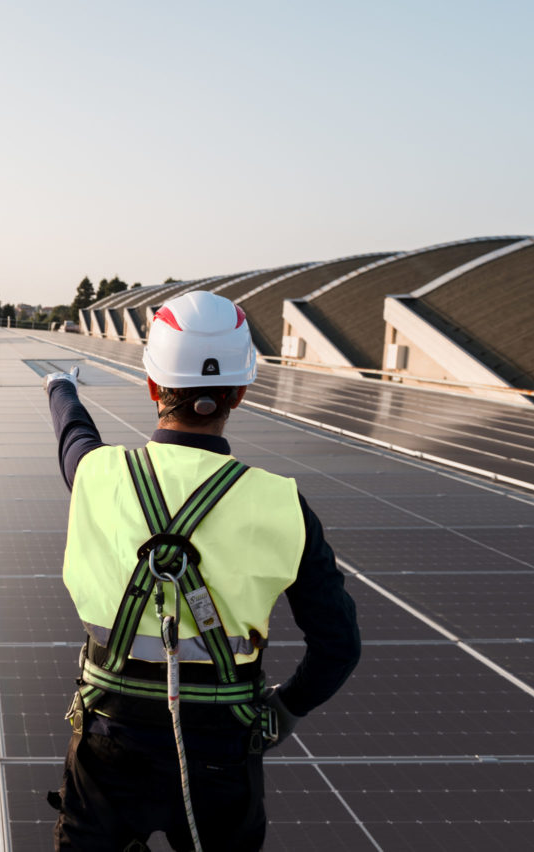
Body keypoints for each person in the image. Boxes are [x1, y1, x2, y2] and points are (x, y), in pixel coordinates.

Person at [44, 290, 360, 851]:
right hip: (223, 754)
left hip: (109, 745)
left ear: (151, 385)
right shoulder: (282, 504)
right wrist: (283, 711)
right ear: (240, 391)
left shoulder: (99, 476)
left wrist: (60, 389)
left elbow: (75, 439)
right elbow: (338, 645)